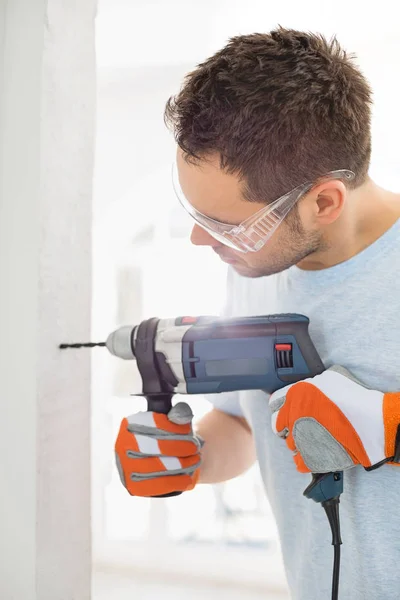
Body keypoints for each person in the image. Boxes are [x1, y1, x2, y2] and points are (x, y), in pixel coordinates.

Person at [114, 28, 400, 599]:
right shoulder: (254, 268)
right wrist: (189, 458)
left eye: (225, 223)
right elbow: (244, 424)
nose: (200, 239)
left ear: (323, 202)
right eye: (195, 213)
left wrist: (391, 427)